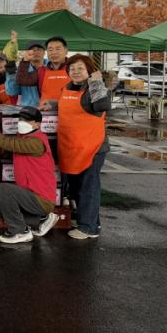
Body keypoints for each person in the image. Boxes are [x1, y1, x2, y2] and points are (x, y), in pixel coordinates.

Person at [48, 54, 110, 240]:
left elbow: (102, 105)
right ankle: (92, 222)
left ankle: (88, 228)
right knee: (76, 188)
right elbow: (69, 106)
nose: (75, 72)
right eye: (72, 68)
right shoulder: (67, 88)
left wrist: (97, 83)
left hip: (92, 147)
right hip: (72, 146)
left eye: (80, 68)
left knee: (88, 188)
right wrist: (51, 105)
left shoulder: (94, 88)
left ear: (89, 71)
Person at [0, 107, 59, 244]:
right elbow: (1, 149)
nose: (22, 122)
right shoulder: (22, 139)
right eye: (20, 119)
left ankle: (20, 231)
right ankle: (41, 220)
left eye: (27, 120)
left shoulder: (36, 142)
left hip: (41, 199)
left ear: (37, 124)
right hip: (29, 195)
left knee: (5, 189)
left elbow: (5, 143)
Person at [17, 36, 69, 106]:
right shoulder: (42, 71)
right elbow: (22, 80)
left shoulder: (73, 69)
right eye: (50, 49)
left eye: (58, 49)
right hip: (46, 111)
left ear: (66, 51)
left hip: (68, 110)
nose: (54, 52)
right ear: (47, 52)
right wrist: (25, 61)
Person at [6, 35, 46, 107]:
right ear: (27, 52)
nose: (35, 52)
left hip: (48, 109)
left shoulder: (51, 67)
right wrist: (11, 74)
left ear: (44, 52)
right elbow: (12, 92)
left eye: (39, 49)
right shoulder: (22, 69)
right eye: (32, 50)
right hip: (28, 109)